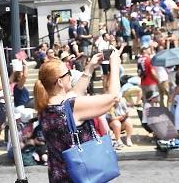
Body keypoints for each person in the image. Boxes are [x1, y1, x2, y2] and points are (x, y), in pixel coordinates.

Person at [36, 50, 119, 182]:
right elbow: (114, 98)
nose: (70, 75)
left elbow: (75, 92)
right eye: (68, 73)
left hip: (59, 177)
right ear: (59, 82)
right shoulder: (71, 107)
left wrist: (89, 68)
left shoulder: (44, 107)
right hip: (82, 177)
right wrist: (114, 66)